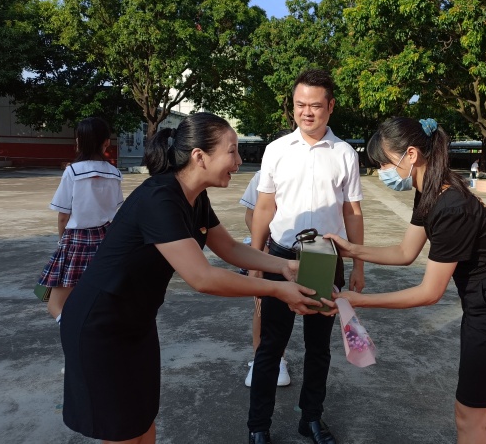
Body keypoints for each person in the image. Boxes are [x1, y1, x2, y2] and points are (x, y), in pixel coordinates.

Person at [60, 113, 322, 444]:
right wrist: (277, 289)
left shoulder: (195, 198)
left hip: (137, 324)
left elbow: (228, 248)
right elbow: (203, 277)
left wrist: (283, 266)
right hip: (100, 326)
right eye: (232, 151)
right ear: (200, 156)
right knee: (121, 432)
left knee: (142, 423)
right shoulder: (160, 198)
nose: (238, 162)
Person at [324, 117, 486, 444]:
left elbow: (429, 292)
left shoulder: (450, 205)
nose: (382, 173)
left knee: (468, 414)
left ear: (411, 154)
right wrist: (352, 249)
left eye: (384, 163)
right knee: (483, 407)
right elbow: (405, 252)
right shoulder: (430, 191)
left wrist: (359, 300)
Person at [247, 69, 364, 444]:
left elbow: (352, 212)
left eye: (315, 105)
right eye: (300, 105)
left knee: (318, 347)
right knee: (270, 346)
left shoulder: (344, 154)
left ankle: (310, 418)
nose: (307, 112)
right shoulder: (276, 150)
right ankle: (258, 426)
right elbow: (264, 208)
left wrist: (359, 264)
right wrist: (255, 260)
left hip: (324, 259)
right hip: (281, 258)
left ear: (330, 107)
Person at [38, 117, 123, 326]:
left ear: (79, 141)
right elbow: (116, 210)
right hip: (105, 241)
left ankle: (75, 333)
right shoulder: (114, 173)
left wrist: (62, 242)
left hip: (76, 241)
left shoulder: (73, 171)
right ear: (106, 142)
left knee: (54, 303)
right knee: (94, 298)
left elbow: (63, 216)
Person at [239, 130, 293, 388]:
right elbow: (252, 215)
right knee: (263, 307)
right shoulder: (263, 175)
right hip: (269, 251)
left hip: (300, 251)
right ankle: (262, 359)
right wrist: (261, 250)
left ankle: (279, 358)